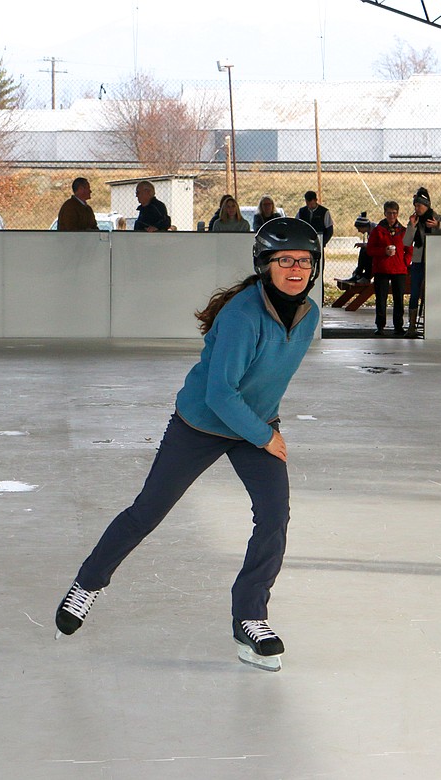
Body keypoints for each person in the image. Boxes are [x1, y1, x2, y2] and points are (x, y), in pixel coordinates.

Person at [54, 217, 323, 673]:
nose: (295, 269)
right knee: (148, 511)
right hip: (201, 424)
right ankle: (88, 582)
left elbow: (266, 379)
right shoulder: (242, 315)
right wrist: (265, 436)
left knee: (274, 517)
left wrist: (262, 426)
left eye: (304, 260)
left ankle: (250, 619)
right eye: (284, 260)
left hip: (255, 424)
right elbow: (220, 394)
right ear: (264, 264)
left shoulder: (310, 313)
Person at [401, 187, 441, 338]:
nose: (416, 208)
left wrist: (438, 226)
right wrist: (412, 226)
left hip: (434, 262)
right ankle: (412, 326)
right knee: (414, 293)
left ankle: (432, 324)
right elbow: (406, 242)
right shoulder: (415, 221)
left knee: (432, 293)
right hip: (418, 261)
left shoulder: (436, 218)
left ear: (427, 205)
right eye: (415, 205)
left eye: (419, 205)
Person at [366, 201, 409, 336]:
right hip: (382, 269)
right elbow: (370, 249)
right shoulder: (378, 231)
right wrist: (383, 251)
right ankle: (380, 325)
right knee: (381, 299)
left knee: (399, 299)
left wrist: (405, 262)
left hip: (399, 270)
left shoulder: (403, 231)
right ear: (385, 213)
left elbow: (409, 248)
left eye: (395, 213)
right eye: (389, 213)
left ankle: (398, 326)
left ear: (398, 214)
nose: (392, 216)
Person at [341, 212, 376, 285]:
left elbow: (376, 245)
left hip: (381, 253)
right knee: (364, 250)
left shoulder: (375, 230)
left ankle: (362, 275)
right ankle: (359, 273)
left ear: (363, 226)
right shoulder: (370, 230)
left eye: (359, 228)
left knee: (365, 250)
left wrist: (365, 245)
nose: (359, 231)